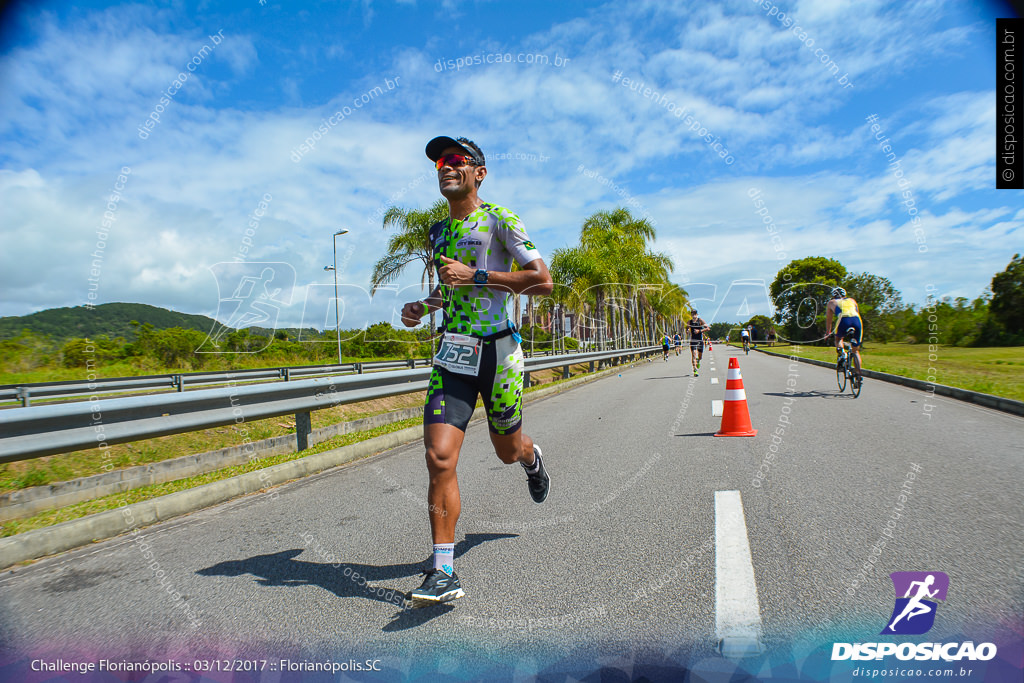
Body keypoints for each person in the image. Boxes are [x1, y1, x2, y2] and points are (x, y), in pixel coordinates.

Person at [399, 136, 553, 604]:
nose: (446, 167)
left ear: (478, 173)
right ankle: (444, 570)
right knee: (439, 457)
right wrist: (422, 306)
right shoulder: (437, 232)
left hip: (499, 354)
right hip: (454, 358)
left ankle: (532, 459)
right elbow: (450, 292)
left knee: (507, 450)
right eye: (440, 163)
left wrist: (480, 275)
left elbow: (542, 281)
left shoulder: (501, 219)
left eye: (456, 161)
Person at [824, 286, 863, 385]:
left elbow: (829, 320)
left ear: (833, 295)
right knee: (856, 350)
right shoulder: (852, 300)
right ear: (845, 294)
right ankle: (858, 374)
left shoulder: (831, 302)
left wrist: (828, 333)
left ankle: (842, 355)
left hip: (843, 320)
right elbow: (857, 312)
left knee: (838, 339)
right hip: (857, 321)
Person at [687, 310, 709, 376]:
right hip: (693, 340)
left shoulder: (700, 321)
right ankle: (695, 370)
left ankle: (698, 360)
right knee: (693, 354)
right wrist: (687, 330)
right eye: (692, 314)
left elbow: (708, 328)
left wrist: (699, 331)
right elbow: (687, 328)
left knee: (700, 356)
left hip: (700, 340)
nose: (693, 315)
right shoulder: (689, 322)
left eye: (695, 314)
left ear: (697, 314)